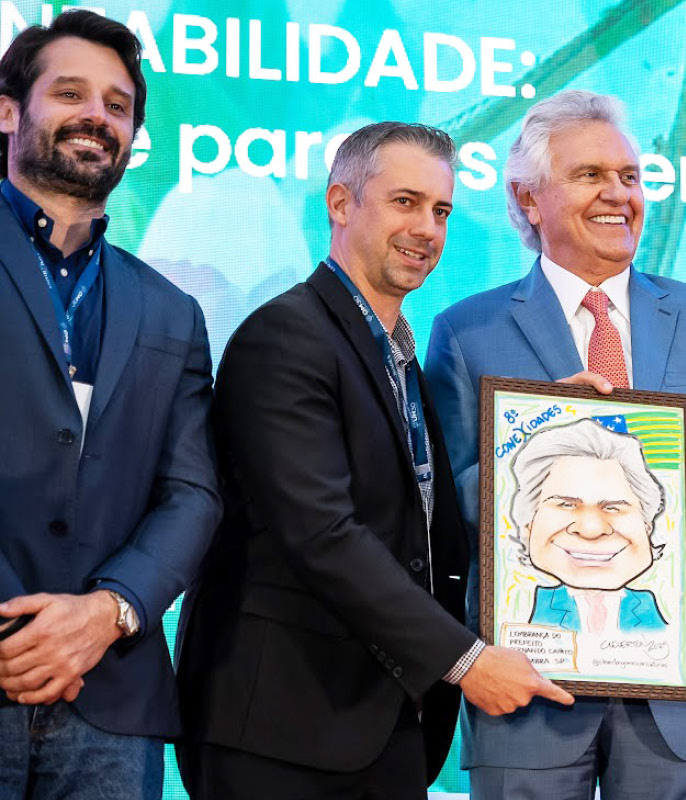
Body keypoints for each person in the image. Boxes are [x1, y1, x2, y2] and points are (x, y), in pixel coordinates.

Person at [175, 122, 572, 800]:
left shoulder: (400, 357)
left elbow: (419, 521)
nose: (427, 229)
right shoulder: (286, 337)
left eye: (441, 211)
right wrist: (465, 660)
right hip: (280, 729)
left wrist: (555, 429)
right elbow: (322, 533)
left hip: (383, 724)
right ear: (340, 203)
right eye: (405, 202)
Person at [425, 89, 686, 799]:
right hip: (528, 690)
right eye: (590, 175)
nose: (619, 194)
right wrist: (538, 440)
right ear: (528, 198)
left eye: (630, 176)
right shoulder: (466, 332)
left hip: (677, 696)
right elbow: (442, 513)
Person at [0, 11, 220, 799]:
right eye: (70, 93)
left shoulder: (171, 310)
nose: (97, 115)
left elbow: (193, 494)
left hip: (114, 694)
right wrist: (26, 630)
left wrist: (110, 610)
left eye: (117, 105)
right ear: (8, 111)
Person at [509, 419, 669, 633]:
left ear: (647, 527)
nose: (591, 529)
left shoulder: (652, 610)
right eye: (566, 505)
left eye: (613, 507)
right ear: (529, 524)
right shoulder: (526, 607)